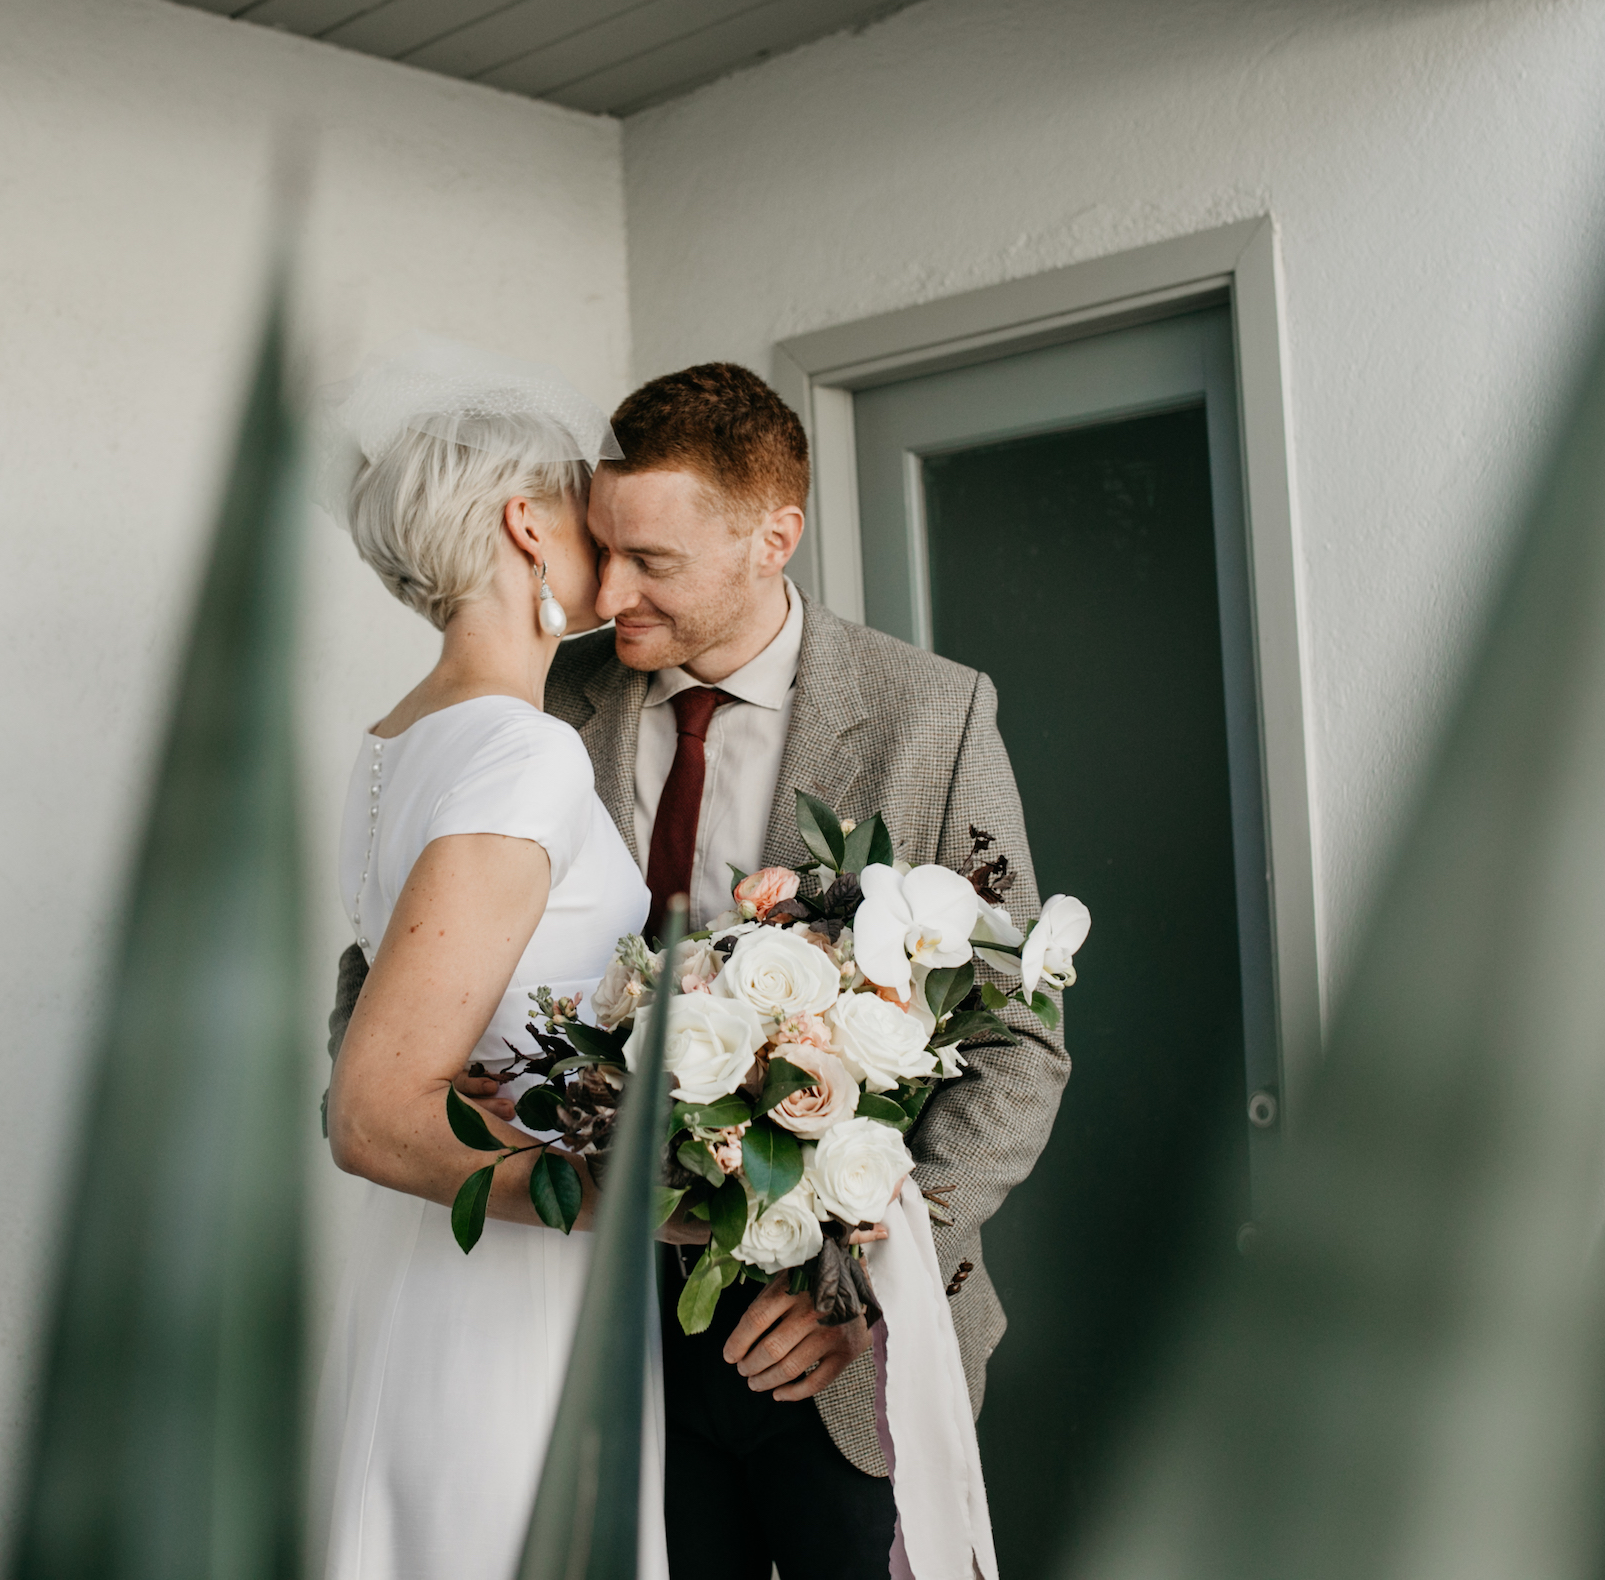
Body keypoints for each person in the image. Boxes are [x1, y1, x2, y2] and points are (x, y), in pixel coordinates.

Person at [331, 360, 1069, 1579]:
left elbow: (1017, 1036)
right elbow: (385, 987)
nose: (610, 586)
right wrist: (415, 1122)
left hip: (828, 1345)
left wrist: (863, 1277)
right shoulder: (539, 704)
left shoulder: (928, 715)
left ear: (770, 537)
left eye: (653, 561)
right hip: (592, 1328)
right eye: (602, 545)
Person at [312, 335, 665, 1580]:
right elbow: (372, 1109)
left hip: (426, 1261)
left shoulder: (391, 741)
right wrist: (634, 1191)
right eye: (591, 526)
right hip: (508, 1288)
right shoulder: (525, 752)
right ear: (526, 525)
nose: (614, 562)